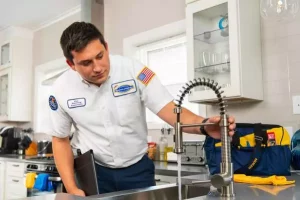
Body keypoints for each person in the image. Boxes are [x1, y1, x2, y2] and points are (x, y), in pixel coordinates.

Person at [48, 22, 236, 197]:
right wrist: (72, 188)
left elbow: (171, 111)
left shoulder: (135, 71)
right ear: (71, 64)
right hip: (93, 172)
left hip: (137, 170)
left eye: (100, 56)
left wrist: (204, 126)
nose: (97, 67)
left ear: (106, 46)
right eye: (86, 63)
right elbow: (60, 140)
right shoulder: (61, 89)